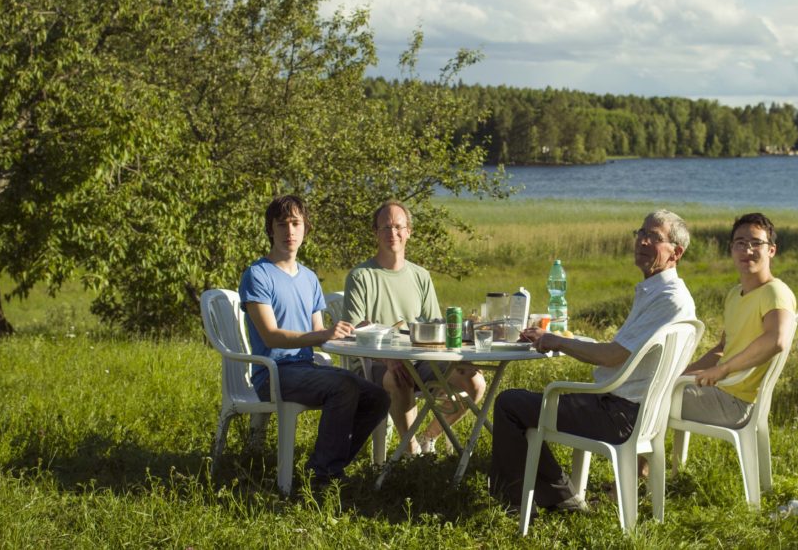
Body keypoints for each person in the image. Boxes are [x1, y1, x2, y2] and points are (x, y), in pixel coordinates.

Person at [489, 209, 697, 512]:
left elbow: (612, 355)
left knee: (510, 404)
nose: (642, 241)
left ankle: (548, 500)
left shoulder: (668, 298)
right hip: (629, 412)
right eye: (640, 233)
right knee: (521, 403)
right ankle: (555, 494)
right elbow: (621, 350)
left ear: (675, 253)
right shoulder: (660, 291)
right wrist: (567, 338)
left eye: (654, 236)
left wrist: (557, 341)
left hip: (617, 415)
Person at [239, 194, 390, 486]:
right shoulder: (257, 275)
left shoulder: (309, 278)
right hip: (273, 372)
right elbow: (271, 336)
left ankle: (325, 465)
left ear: (306, 228)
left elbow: (321, 335)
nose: (289, 231)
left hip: (307, 367)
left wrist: (353, 332)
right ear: (270, 229)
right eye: (281, 224)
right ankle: (324, 476)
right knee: (344, 386)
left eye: (296, 223)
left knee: (378, 396)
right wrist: (323, 334)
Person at [343, 200, 487, 455]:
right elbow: (355, 331)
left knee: (475, 381)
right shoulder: (361, 276)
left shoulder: (420, 275)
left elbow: (433, 327)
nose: (393, 234)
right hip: (376, 364)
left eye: (399, 227)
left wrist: (456, 358)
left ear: (409, 231)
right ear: (375, 232)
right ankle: (410, 455)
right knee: (399, 376)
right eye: (385, 227)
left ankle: (428, 437)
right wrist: (389, 359)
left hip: (420, 360)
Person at [678, 212, 796, 427]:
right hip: (720, 389)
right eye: (740, 243)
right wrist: (684, 372)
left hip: (737, 402)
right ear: (731, 248)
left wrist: (722, 370)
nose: (747, 250)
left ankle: (639, 461)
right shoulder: (735, 293)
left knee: (648, 400)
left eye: (756, 243)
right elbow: (723, 347)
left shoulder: (775, 292)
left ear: (771, 250)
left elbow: (777, 340)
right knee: (656, 387)